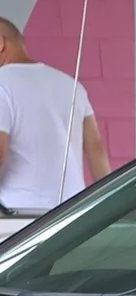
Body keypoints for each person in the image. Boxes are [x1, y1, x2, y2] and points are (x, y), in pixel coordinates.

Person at [0, 17, 107, 215]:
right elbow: (96, 148)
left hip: (17, 217)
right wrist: (111, 205)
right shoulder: (72, 85)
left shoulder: (2, 83)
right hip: (72, 214)